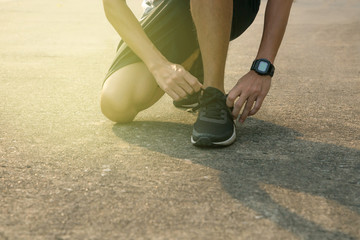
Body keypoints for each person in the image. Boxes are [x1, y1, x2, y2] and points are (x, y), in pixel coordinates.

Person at [100, 0, 293, 147]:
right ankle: (196, 57)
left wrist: (262, 67)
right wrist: (158, 65)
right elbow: (112, 5)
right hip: (167, 6)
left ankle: (213, 94)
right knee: (116, 103)